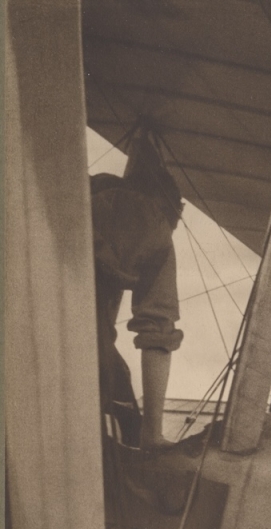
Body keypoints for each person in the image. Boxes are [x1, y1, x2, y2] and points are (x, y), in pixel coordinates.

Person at [92, 130, 184, 449]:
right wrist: (152, 433)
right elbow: (157, 329)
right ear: (173, 209)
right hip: (82, 345)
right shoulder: (158, 226)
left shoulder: (87, 190)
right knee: (123, 413)